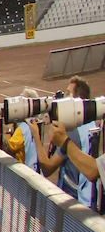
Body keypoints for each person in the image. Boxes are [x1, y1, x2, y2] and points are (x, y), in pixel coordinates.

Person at [38, 79, 99, 207]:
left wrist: (35, 134)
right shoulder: (92, 124)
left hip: (73, 201)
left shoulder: (71, 131)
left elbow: (48, 168)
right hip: (89, 197)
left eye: (67, 94)